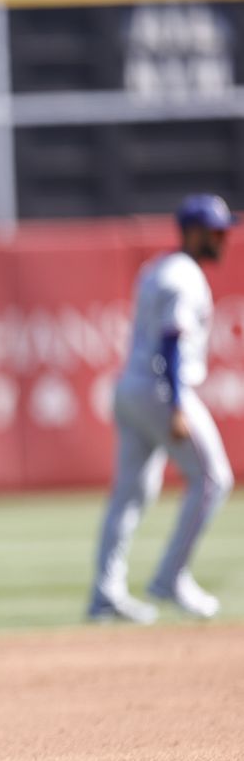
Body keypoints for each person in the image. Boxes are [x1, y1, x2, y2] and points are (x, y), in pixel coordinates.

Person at [88, 193, 236, 624]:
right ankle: (171, 576)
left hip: (132, 386)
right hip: (160, 389)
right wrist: (174, 403)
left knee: (131, 494)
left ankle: (105, 594)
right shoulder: (184, 277)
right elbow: (171, 341)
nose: (223, 238)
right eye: (216, 231)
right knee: (213, 478)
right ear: (193, 231)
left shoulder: (159, 268)